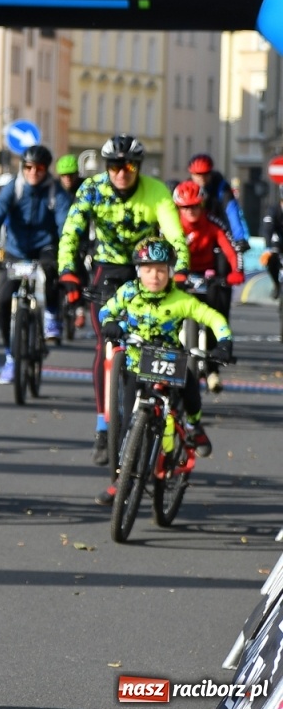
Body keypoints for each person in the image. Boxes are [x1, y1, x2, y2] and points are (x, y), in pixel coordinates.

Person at [56, 134, 187, 467]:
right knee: (106, 345)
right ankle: (104, 428)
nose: (120, 172)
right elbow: (71, 231)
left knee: (157, 341)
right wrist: (68, 271)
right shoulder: (92, 188)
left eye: (128, 166)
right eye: (114, 166)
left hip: (147, 271)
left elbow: (174, 234)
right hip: (108, 271)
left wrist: (181, 270)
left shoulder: (156, 190)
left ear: (138, 166)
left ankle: (163, 412)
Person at [97, 237, 230, 502]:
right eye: (148, 269)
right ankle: (121, 478)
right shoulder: (128, 292)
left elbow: (213, 317)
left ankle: (194, 427)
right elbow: (106, 311)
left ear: (170, 271)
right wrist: (110, 323)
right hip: (135, 365)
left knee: (191, 391)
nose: (154, 276)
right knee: (126, 421)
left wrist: (225, 341)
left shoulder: (181, 299)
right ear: (138, 271)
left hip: (171, 364)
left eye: (161, 270)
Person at [0, 144, 71, 382]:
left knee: (50, 272)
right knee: (2, 301)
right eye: (28, 167)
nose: (33, 172)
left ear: (46, 169)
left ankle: (51, 313)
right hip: (16, 251)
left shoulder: (56, 191)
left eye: (39, 168)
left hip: (45, 247)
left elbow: (65, 223)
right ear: (22, 167)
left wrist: (68, 253)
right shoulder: (14, 188)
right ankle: (10, 356)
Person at [173, 179, 244, 321]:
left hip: (209, 274)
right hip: (180, 271)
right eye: (185, 207)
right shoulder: (172, 224)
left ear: (202, 204)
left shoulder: (213, 222)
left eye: (195, 206)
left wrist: (237, 271)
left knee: (218, 306)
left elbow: (231, 250)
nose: (190, 211)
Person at [187, 153, 251, 252]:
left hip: (220, 233)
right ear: (191, 174)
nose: (202, 178)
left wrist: (240, 238)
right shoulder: (187, 189)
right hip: (195, 236)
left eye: (205, 174)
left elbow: (232, 211)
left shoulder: (221, 187)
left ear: (210, 173)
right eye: (198, 174)